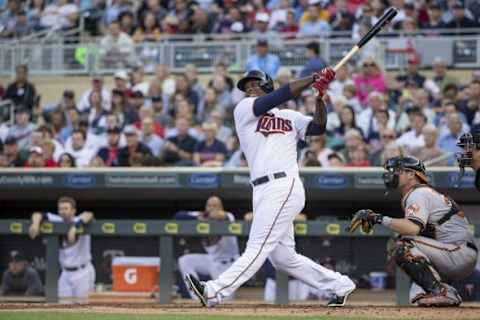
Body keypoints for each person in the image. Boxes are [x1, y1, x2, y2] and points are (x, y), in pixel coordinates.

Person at [185, 68, 356, 307]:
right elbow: (278, 96)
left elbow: (318, 127)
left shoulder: (289, 116)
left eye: (254, 84)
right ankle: (340, 285)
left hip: (284, 184)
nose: (249, 89)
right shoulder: (244, 109)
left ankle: (214, 291)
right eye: (246, 87)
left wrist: (319, 98)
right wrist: (311, 79)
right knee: (284, 258)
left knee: (257, 245)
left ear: (267, 85)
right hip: (261, 189)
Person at [348, 156, 478, 307]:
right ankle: (444, 292)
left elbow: (412, 228)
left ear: (411, 174)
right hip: (451, 252)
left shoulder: (419, 193)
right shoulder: (421, 193)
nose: (392, 174)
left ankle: (441, 291)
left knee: (401, 245)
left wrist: (377, 218)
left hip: (458, 252)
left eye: (397, 170)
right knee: (417, 298)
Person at [28, 197, 95, 301]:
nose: (62, 211)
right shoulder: (57, 220)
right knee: (62, 305)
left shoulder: (79, 220)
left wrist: (75, 227)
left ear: (73, 210)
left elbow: (89, 214)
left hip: (83, 272)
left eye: (66, 208)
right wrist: (35, 224)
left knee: (84, 307)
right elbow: (38, 214)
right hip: (65, 272)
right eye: (60, 209)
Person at [177, 196, 239, 300]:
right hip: (212, 261)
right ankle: (197, 296)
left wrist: (207, 215)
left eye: (215, 205)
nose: (212, 208)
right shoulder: (202, 215)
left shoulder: (229, 216)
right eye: (209, 205)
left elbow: (219, 215)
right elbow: (179, 215)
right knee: (185, 260)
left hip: (229, 266)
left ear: (221, 207)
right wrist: (198, 217)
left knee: (224, 302)